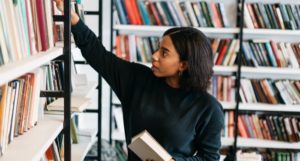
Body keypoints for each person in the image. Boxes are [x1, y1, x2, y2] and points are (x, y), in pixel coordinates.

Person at [55, 1, 224, 161]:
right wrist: (73, 19)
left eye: (164, 53)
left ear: (183, 65)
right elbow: (99, 55)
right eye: (158, 48)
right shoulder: (137, 79)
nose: (154, 55)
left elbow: (209, 158)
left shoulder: (208, 108)